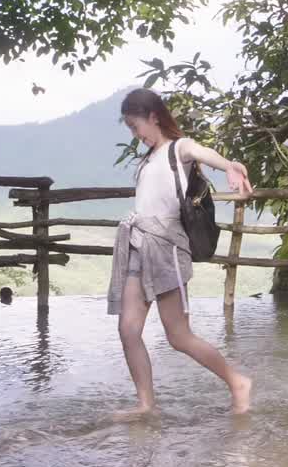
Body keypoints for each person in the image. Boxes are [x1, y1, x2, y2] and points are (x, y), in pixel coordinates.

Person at [107, 89, 254, 415]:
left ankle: (237, 382)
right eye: (130, 129)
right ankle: (146, 405)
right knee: (128, 330)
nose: (135, 135)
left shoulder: (178, 148)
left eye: (136, 126)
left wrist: (230, 165)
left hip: (166, 248)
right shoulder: (147, 160)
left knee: (179, 336)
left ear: (153, 117)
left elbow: (203, 152)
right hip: (137, 246)